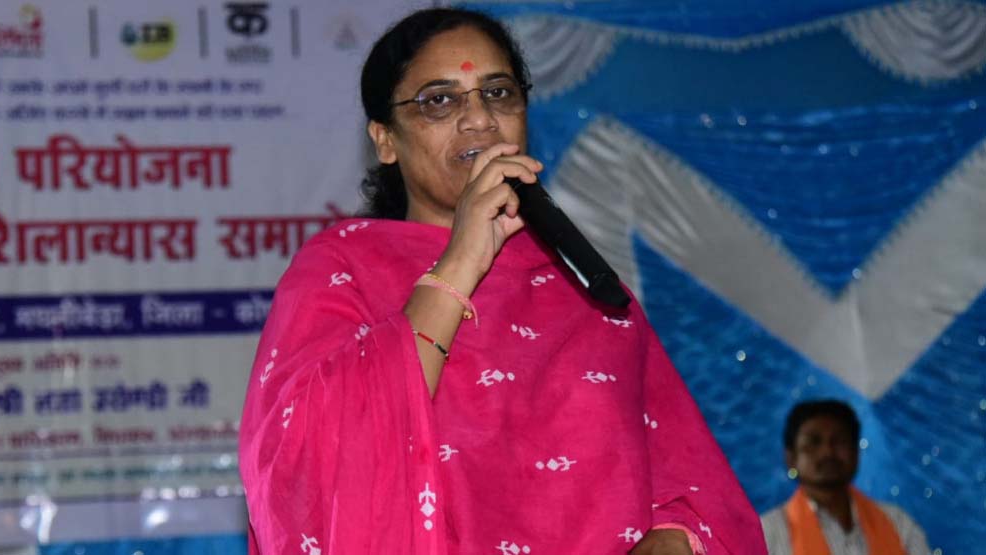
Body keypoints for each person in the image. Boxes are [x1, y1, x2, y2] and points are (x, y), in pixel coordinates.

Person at [239, 7, 765, 554]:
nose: (480, 119)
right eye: (439, 100)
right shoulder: (343, 271)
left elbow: (693, 481)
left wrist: (676, 537)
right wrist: (459, 262)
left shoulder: (585, 288)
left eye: (498, 93)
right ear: (385, 140)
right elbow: (306, 463)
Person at [760, 400, 930, 555]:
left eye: (839, 441)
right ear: (791, 458)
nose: (827, 452)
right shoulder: (767, 534)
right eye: (813, 442)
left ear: (856, 453)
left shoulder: (897, 524)